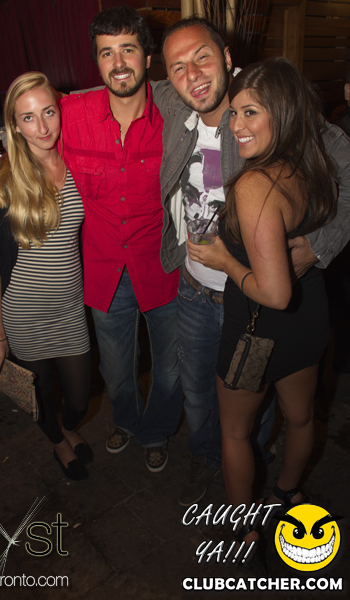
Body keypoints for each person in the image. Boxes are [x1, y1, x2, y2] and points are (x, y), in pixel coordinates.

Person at [151, 17, 350, 505]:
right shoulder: (174, 102)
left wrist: (320, 245)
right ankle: (237, 472)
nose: (192, 75)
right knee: (202, 399)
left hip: (252, 304)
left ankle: (245, 487)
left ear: (226, 56)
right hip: (196, 292)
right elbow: (124, 80)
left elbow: (344, 162)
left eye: (202, 57)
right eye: (177, 67)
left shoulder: (268, 100)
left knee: (248, 419)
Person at [187, 58, 336, 546]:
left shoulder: (255, 184)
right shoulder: (313, 163)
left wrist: (224, 260)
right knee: (301, 417)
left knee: (235, 432)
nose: (236, 126)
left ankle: (245, 529)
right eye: (234, 113)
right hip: (309, 320)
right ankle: (289, 493)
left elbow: (274, 292)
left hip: (258, 329)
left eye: (250, 112)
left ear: (283, 111)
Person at [60, 6, 182, 473]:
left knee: (169, 369)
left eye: (127, 49)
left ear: (147, 58)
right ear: (96, 62)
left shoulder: (175, 113)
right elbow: (27, 119)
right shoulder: (72, 114)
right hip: (103, 270)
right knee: (114, 370)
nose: (118, 63)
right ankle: (127, 422)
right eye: (106, 53)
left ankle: (156, 432)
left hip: (164, 268)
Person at [0, 72, 92, 481]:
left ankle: (70, 426)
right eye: (28, 117)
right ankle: (59, 442)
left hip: (70, 309)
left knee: (79, 399)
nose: (42, 127)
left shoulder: (79, 164)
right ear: (14, 125)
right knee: (42, 396)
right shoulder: (1, 178)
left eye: (49, 112)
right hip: (24, 314)